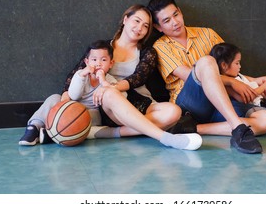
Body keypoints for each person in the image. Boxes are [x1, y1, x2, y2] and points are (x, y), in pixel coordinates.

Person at [148, 0, 266, 154]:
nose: (175, 22)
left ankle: (193, 129)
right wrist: (231, 82)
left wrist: (256, 82)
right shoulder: (160, 47)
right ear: (158, 27)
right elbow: (190, 75)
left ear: (180, 12)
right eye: (166, 21)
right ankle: (238, 129)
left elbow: (229, 68)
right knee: (206, 62)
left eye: (175, 15)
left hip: (220, 103)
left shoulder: (207, 34)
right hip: (190, 105)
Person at [19, 40, 202, 150]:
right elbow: (73, 95)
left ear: (111, 63)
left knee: (110, 95)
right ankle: (34, 128)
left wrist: (105, 84)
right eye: (94, 60)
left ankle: (78, 132)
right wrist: (81, 76)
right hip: (73, 107)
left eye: (103, 60)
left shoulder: (110, 79)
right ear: (86, 61)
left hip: (92, 116)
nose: (98, 64)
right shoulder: (80, 74)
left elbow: (120, 100)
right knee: (53, 98)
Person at [64, 4, 196, 138]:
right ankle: (162, 136)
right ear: (125, 20)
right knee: (110, 94)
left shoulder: (147, 52)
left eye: (145, 26)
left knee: (174, 111)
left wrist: (111, 86)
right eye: (137, 21)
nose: (140, 28)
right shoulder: (102, 48)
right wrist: (64, 100)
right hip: (110, 106)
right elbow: (76, 73)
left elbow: (137, 79)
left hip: (140, 102)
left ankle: (114, 133)